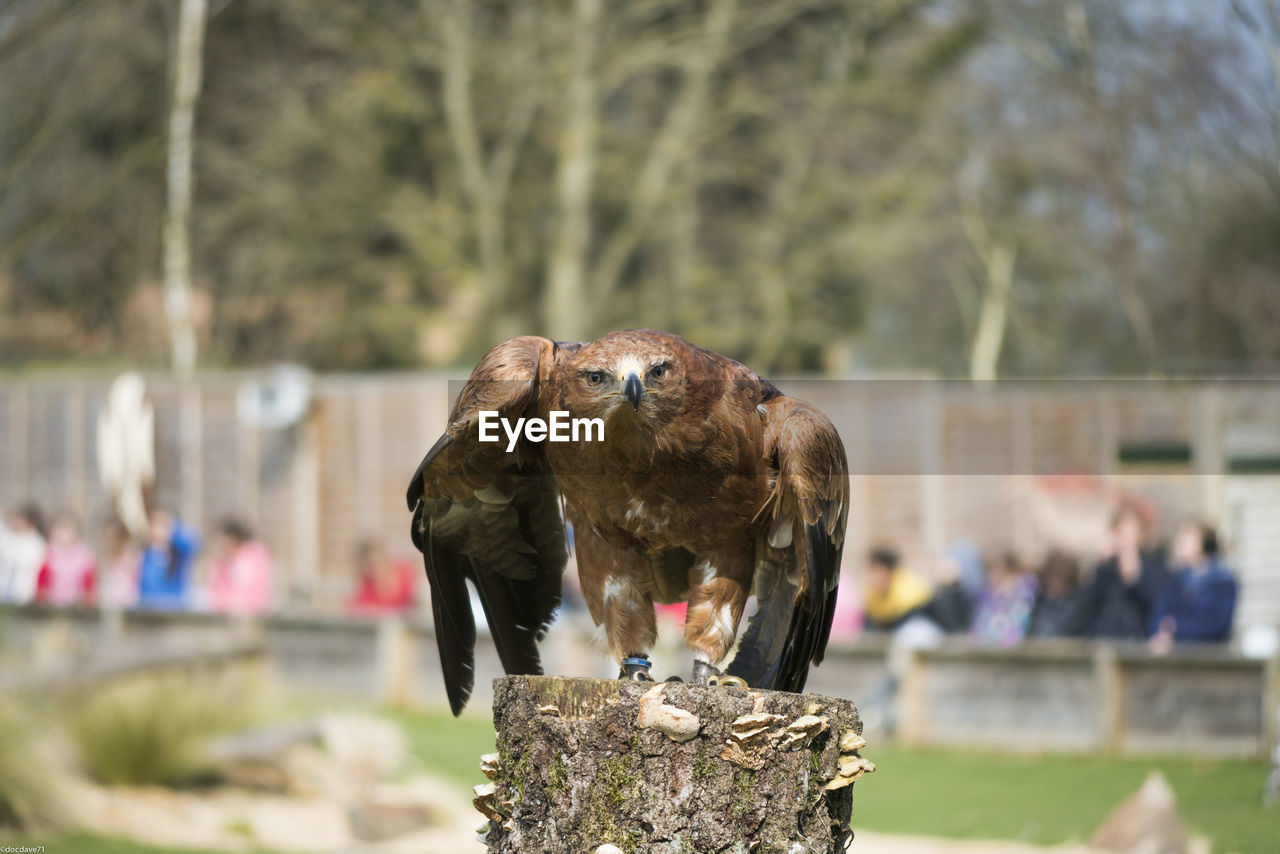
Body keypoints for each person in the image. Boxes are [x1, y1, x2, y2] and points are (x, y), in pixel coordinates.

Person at [1081, 503, 1168, 640]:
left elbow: (1153, 600)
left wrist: (1134, 574)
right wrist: (1100, 564)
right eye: (1120, 531)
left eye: (1130, 531)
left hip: (1136, 639)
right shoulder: (1107, 567)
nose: (1125, 538)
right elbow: (1089, 602)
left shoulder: (1154, 563)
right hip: (1105, 637)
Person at [1149, 520, 1237, 650]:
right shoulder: (1175, 580)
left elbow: (1219, 624)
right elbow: (1159, 615)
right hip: (1177, 655)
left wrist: (1177, 627)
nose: (1179, 544)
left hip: (1210, 656)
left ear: (1202, 543)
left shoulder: (1223, 581)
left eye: (1185, 540)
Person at [137, 509, 202, 609]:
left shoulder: (178, 552)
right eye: (156, 524)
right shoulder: (147, 553)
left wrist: (173, 528)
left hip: (174, 610)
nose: (158, 529)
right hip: (149, 610)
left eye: (163, 524)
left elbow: (195, 545)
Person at [971, 551, 1037, 647]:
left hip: (1015, 652)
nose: (999, 587)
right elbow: (978, 627)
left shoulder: (1025, 595)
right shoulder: (985, 596)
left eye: (1002, 577)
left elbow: (1017, 628)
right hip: (987, 651)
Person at [207, 518, 273, 614]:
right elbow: (216, 589)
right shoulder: (222, 560)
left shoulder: (255, 555)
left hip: (253, 613)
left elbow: (259, 589)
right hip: (227, 613)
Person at [863, 547, 934, 632]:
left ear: (888, 571)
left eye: (875, 571)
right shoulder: (874, 598)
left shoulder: (910, 597)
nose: (870, 577)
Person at [35, 512, 97, 606]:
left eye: (67, 528)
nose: (64, 533)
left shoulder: (84, 555)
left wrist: (86, 601)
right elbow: (41, 581)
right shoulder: (46, 553)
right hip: (51, 604)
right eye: (60, 528)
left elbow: (89, 583)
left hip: (77, 605)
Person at [1027, 549, 1088, 638]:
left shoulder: (1077, 607)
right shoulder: (1039, 603)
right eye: (1049, 586)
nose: (1052, 592)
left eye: (1058, 586)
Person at [348, 539, 416, 615]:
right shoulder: (367, 589)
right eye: (369, 566)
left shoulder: (405, 575)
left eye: (376, 561)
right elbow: (353, 609)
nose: (375, 569)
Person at [0, 504, 47, 604]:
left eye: (21, 521)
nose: (17, 524)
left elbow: (31, 563)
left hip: (24, 590)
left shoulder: (36, 543)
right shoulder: (8, 537)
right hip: (4, 586)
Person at [99, 517, 141, 609]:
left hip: (127, 602)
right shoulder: (105, 554)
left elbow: (135, 578)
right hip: (109, 601)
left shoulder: (130, 554)